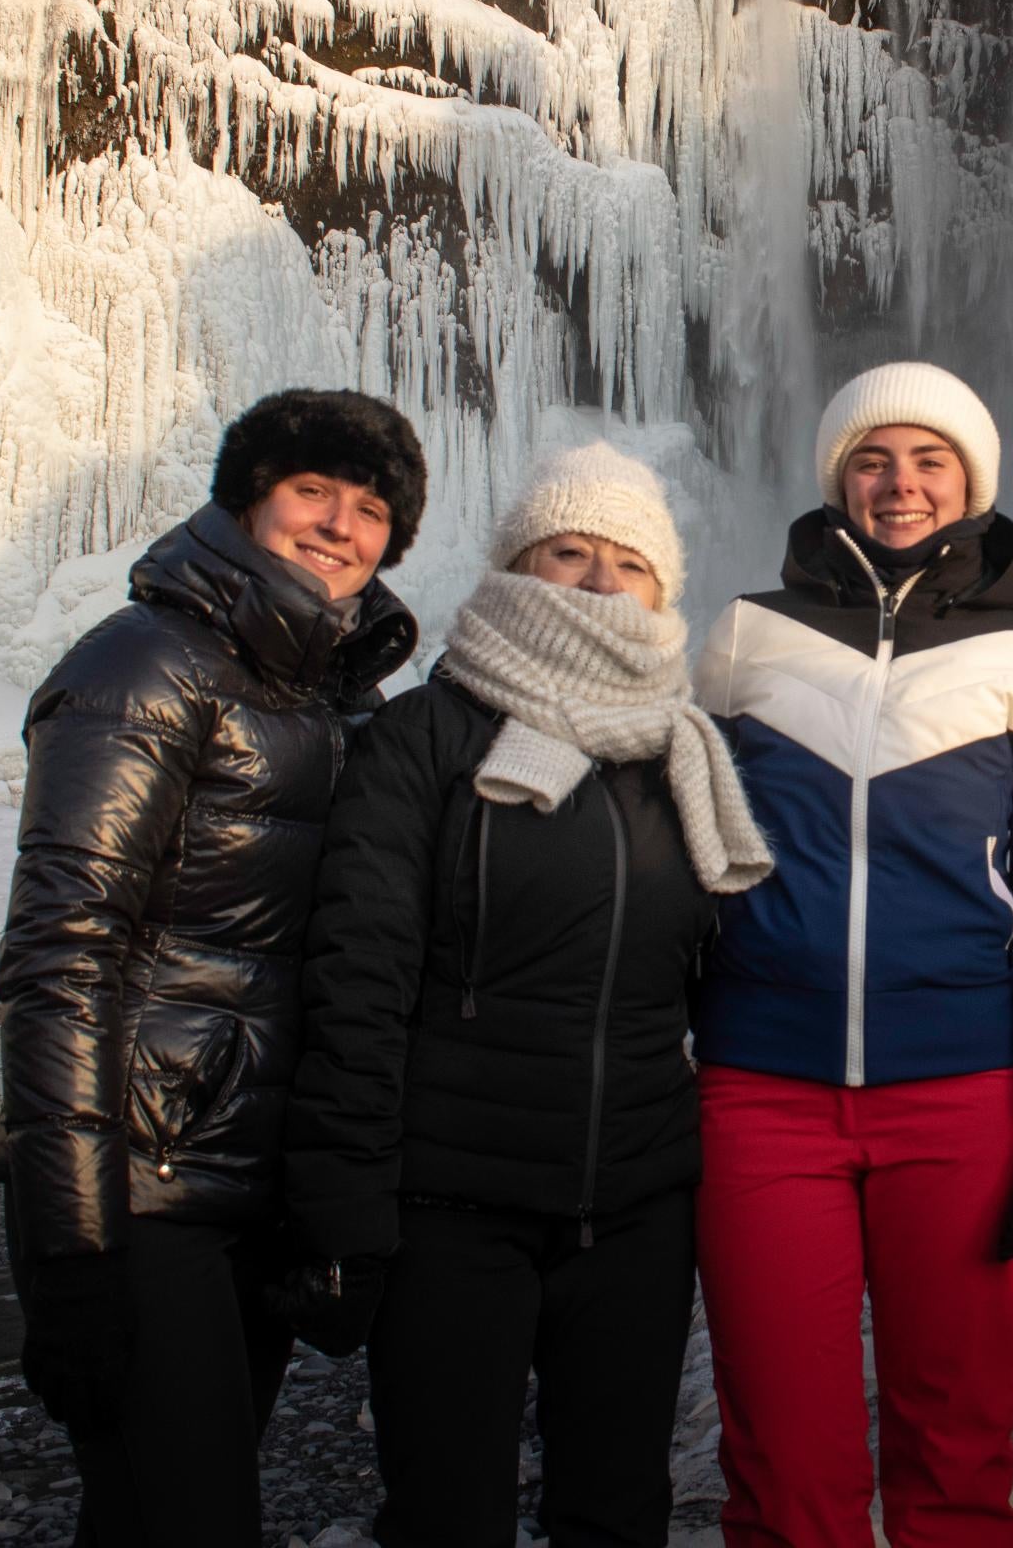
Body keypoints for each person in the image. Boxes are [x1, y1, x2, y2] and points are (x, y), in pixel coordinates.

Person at [279, 441, 772, 1548]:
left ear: (663, 590)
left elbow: (726, 976)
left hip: (636, 1208)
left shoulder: (685, 753)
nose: (601, 582)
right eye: (569, 551)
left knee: (616, 1508)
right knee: (448, 1511)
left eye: (629, 562)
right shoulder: (428, 736)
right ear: (514, 565)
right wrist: (344, 1208)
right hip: (453, 1207)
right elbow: (357, 978)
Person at [0, 388, 429, 1547]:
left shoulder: (340, 696)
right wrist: (70, 1244)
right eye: (311, 490)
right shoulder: (147, 664)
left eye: (371, 506)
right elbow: (61, 952)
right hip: (143, 1178)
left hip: (251, 1175)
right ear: (248, 500)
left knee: (154, 1512)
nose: (339, 523)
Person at [691, 360, 1013, 1548]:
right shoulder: (744, 638)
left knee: (957, 1445)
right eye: (874, 458)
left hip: (964, 1096)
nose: (901, 482)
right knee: (782, 1452)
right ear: (839, 477)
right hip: (762, 1093)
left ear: (970, 480)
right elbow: (679, 856)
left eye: (931, 459)